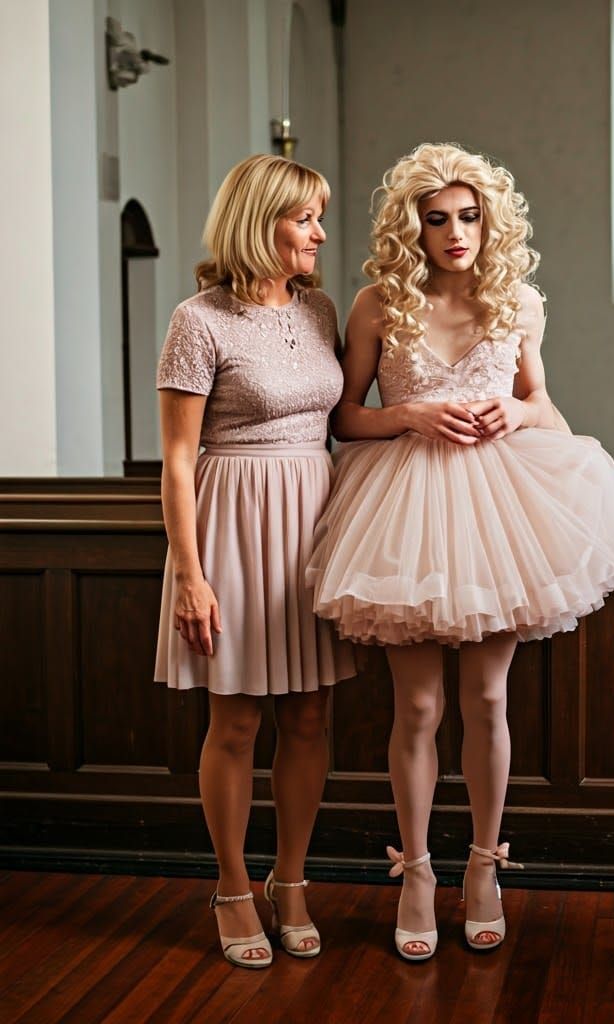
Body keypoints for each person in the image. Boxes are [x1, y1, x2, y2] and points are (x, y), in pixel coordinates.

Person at [307, 142, 614, 961]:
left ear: (489, 221)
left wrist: (515, 414)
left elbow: (545, 406)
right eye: (438, 219)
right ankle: (418, 872)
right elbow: (345, 417)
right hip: (403, 508)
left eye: (469, 217)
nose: (456, 232)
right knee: (420, 708)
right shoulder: (376, 304)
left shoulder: (518, 303)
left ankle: (485, 867)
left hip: (500, 511)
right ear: (412, 228)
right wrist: (413, 416)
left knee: (488, 702)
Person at [154, 154, 354, 968]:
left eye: (319, 217)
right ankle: (232, 886)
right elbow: (175, 458)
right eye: (304, 217)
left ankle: (291, 881)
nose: (319, 232)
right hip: (231, 520)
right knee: (234, 718)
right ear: (259, 220)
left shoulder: (321, 311)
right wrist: (191, 574)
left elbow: (345, 421)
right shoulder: (197, 319)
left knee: (310, 713)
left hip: (315, 517)